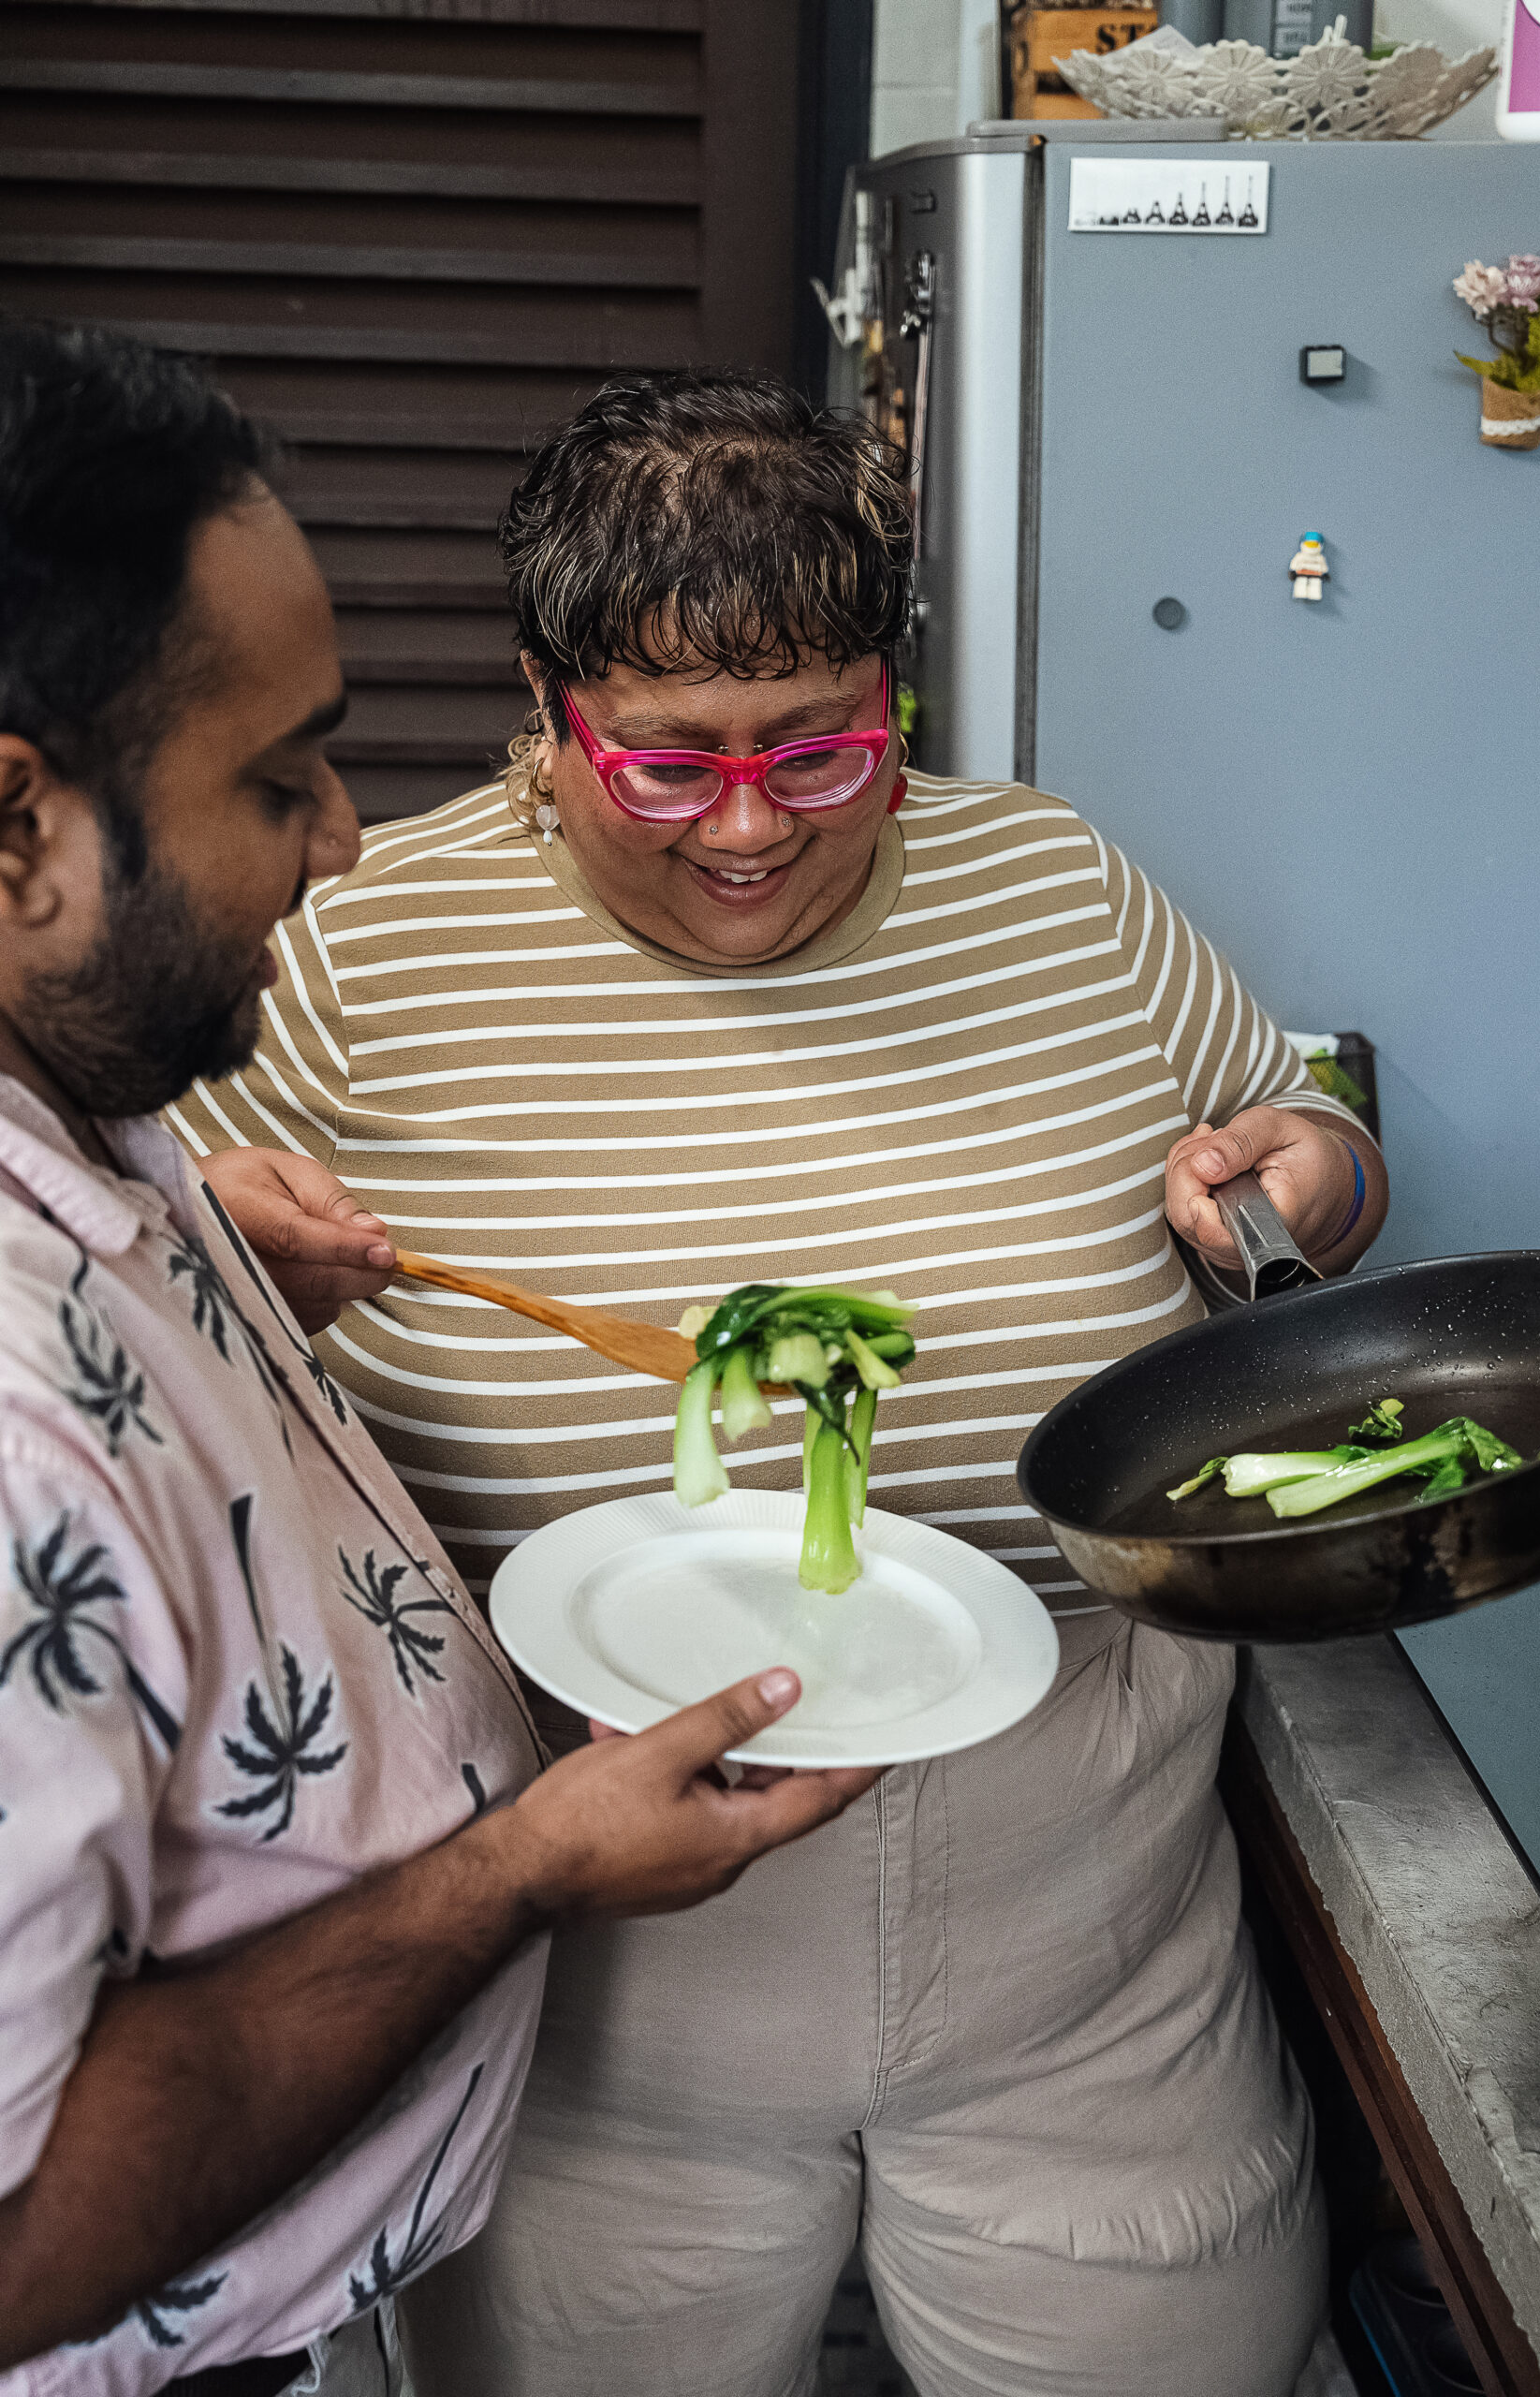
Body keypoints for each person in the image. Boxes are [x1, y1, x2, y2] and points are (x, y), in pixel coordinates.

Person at [181, 373, 1389, 2397]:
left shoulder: (1057, 888)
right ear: (545, 709)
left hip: (1087, 1954)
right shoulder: (351, 947)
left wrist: (1314, 1178)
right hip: (583, 2006)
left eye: (820, 747)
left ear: (891, 696)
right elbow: (107, 1291)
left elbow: (1289, 1104)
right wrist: (229, 1269)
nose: (747, 830)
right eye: (666, 768)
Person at [0, 327, 876, 2397]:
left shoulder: (90, 1112)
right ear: (16, 828)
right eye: (272, 775)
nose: (344, 840)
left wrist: (213, 1293)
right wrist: (521, 1865)